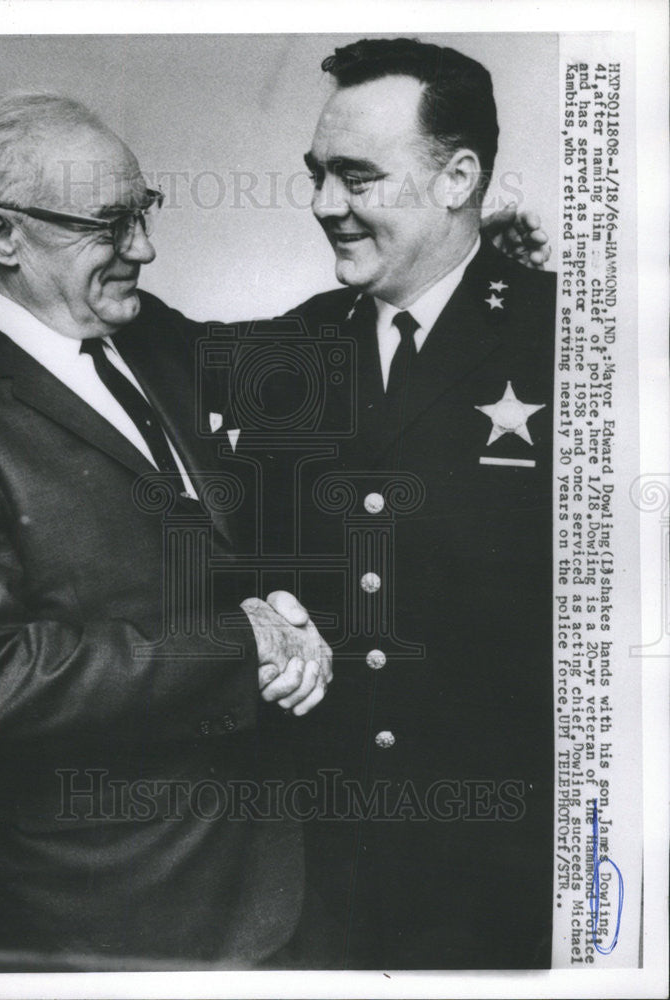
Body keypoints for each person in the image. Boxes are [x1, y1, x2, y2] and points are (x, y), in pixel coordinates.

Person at [0, 93, 333, 969]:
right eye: (110, 224)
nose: (144, 247)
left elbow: (295, 373)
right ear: (0, 234)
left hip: (267, 864)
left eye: (144, 213)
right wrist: (238, 642)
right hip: (112, 908)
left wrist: (283, 609)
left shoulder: (144, 335)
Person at [243, 37, 556, 969]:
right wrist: (258, 604)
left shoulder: (574, 338)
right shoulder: (294, 350)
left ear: (458, 176)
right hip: (322, 874)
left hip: (510, 873)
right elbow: (249, 556)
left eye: (356, 177)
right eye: (316, 176)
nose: (324, 206)